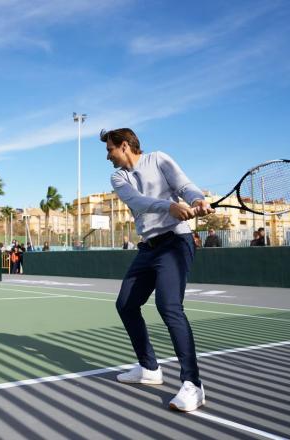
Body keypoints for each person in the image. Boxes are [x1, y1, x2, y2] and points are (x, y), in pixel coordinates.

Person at [101, 127, 214, 412]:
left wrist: (198, 200)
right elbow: (137, 202)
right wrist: (169, 206)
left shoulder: (159, 159)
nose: (108, 156)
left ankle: (193, 385)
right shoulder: (119, 177)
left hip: (176, 242)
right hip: (149, 247)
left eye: (110, 149)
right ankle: (149, 368)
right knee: (126, 304)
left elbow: (185, 186)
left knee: (169, 306)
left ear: (124, 146)